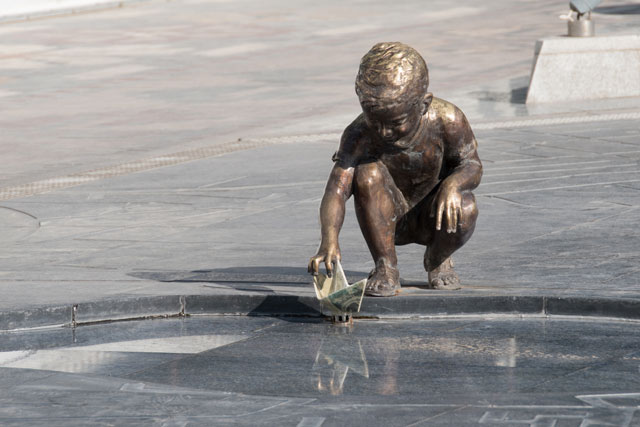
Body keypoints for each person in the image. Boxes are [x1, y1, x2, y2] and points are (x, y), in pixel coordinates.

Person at [308, 42, 482, 297]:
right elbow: (337, 188)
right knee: (366, 174)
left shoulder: (449, 120)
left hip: (436, 215)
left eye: (396, 122)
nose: (384, 132)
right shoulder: (358, 133)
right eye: (374, 120)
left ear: (424, 105)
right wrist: (328, 239)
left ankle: (438, 257)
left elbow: (472, 165)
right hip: (384, 218)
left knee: (467, 206)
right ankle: (385, 266)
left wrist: (453, 185)